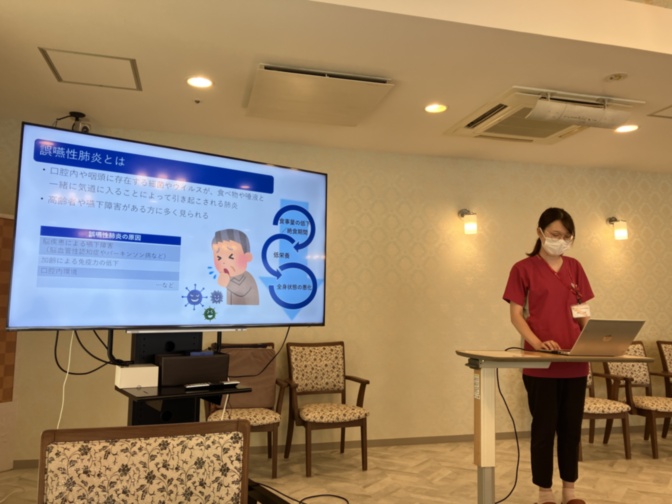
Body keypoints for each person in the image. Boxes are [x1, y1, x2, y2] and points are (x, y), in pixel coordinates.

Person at [502, 207, 593, 504]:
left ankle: (570, 492)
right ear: (539, 232)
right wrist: (537, 343)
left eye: (567, 237)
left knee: (571, 430)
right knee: (544, 429)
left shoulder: (575, 267)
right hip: (540, 364)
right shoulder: (523, 269)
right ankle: (545, 494)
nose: (561, 241)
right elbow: (516, 315)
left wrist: (593, 339)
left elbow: (581, 311)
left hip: (575, 363)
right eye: (555, 234)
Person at [211, 229, 259, 305]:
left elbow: (241, 290)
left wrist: (226, 284)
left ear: (247, 257)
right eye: (219, 258)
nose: (223, 262)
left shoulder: (246, 277)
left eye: (231, 257)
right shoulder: (230, 277)